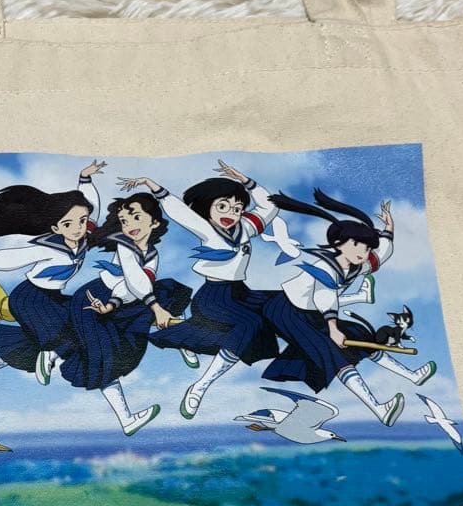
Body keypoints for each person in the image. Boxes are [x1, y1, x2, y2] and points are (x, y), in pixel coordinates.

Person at [117, 160, 278, 419]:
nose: (230, 213)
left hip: (241, 293)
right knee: (248, 326)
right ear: (208, 208)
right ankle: (199, 387)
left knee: (279, 305)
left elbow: (270, 206)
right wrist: (151, 184)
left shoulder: (246, 228)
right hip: (214, 296)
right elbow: (179, 211)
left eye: (237, 208)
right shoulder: (207, 230)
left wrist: (245, 180)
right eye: (222, 206)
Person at [0, 161, 104, 397]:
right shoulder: (48, 248)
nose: (78, 228)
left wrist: (85, 178)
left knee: (29, 343)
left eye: (82, 221)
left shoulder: (84, 234)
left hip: (52, 297)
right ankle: (50, 354)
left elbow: (92, 205)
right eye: (68, 224)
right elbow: (14, 257)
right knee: (67, 333)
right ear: (56, 228)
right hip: (30, 298)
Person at [261, 189, 405, 426]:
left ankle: (410, 376)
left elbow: (384, 252)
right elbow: (323, 297)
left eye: (367, 248)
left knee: (358, 333)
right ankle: (379, 409)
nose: (363, 252)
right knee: (332, 351)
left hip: (311, 313)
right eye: (357, 245)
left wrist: (389, 228)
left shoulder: (358, 265)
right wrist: (333, 329)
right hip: (286, 311)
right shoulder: (326, 266)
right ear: (339, 244)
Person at [57, 192, 192, 435]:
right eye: (124, 221)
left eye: (136, 218)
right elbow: (132, 279)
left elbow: (141, 284)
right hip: (96, 298)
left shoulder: (152, 253)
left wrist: (139, 306)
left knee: (171, 290)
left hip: (126, 300)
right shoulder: (124, 245)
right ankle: (126, 419)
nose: (129, 225)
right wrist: (142, 307)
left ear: (154, 222)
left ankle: (181, 339)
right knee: (105, 356)